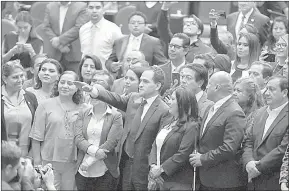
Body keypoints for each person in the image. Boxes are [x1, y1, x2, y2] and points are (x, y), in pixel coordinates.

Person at [78, 65, 170, 190]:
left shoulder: (164, 110)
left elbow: (160, 144)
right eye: (141, 80)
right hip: (124, 163)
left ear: (158, 86)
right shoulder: (134, 98)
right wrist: (93, 91)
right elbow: (114, 98)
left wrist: (154, 169)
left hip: (144, 168)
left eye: (146, 81)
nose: (141, 84)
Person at [190, 71, 247, 191]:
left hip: (223, 182)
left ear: (217, 87)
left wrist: (203, 158)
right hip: (207, 178)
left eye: (209, 84)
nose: (206, 87)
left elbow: (230, 147)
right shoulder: (210, 108)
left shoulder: (234, 112)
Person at [29, 71, 84, 190]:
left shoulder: (83, 109)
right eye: (62, 82)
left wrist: (79, 162)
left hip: (71, 163)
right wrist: (37, 164)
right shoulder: (45, 105)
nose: (65, 86)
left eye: (70, 83)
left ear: (77, 88)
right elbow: (36, 137)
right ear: (57, 85)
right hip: (48, 162)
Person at [73, 71, 123, 191]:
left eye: (96, 93)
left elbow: (111, 143)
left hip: (105, 170)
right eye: (90, 93)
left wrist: (90, 161)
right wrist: (95, 152)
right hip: (82, 170)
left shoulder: (116, 116)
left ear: (106, 95)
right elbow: (78, 138)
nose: (92, 96)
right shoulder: (83, 112)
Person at [242, 76, 288, 190]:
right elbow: (248, 141)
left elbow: (283, 149)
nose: (266, 93)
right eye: (266, 89)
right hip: (252, 180)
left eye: (272, 89)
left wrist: (258, 168)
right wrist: (249, 162)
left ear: (284, 92)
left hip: (274, 181)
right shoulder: (259, 113)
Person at [148, 86, 199, 190]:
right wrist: (153, 166)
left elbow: (183, 153)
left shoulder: (192, 126)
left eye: (172, 99)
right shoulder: (168, 120)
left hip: (179, 182)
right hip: (160, 178)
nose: (169, 102)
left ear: (182, 103)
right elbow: (155, 144)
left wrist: (161, 169)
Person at [2, 60, 38, 157]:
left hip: (27, 154)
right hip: (4, 155)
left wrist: (32, 153)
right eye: (15, 77)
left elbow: (36, 127)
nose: (20, 80)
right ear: (4, 79)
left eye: (22, 76)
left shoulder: (31, 97)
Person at [43, 1, 88, 72]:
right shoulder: (50, 6)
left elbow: (79, 27)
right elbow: (46, 27)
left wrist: (59, 40)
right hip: (54, 55)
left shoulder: (82, 6)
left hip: (74, 56)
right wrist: (59, 45)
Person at [79, 2, 122, 69]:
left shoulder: (113, 29)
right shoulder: (83, 29)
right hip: (87, 72)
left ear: (103, 10)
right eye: (91, 8)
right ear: (86, 10)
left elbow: (120, 53)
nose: (94, 11)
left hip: (105, 73)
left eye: (98, 8)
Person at [2, 11, 43, 79]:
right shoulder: (9, 36)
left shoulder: (37, 41)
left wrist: (32, 52)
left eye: (25, 27)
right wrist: (11, 52)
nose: (22, 30)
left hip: (28, 75)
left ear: (31, 25)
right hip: (9, 73)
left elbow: (39, 64)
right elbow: (2, 60)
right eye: (19, 27)